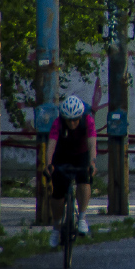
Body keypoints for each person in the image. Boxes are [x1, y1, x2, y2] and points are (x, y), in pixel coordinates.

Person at [44, 95, 96, 247]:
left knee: (84, 179)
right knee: (58, 193)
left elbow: (92, 144)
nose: (72, 123)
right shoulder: (58, 123)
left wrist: (92, 163)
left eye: (75, 120)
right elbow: (51, 145)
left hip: (81, 154)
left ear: (80, 117)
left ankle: (82, 218)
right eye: (69, 120)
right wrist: (48, 164)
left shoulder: (87, 121)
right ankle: (56, 228)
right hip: (62, 155)